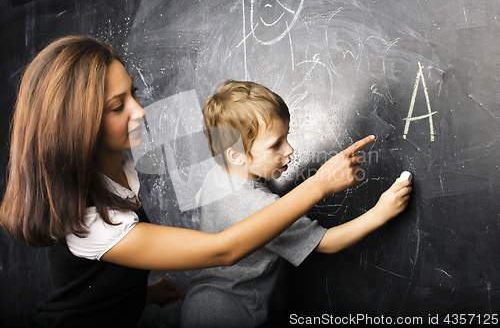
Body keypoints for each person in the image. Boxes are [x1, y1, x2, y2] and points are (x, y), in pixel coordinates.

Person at [0, 35, 376, 328]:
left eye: (132, 92)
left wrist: (142, 295)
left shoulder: (119, 161)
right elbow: (222, 250)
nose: (139, 110)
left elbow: (91, 285)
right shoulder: (89, 220)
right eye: (118, 106)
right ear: (76, 126)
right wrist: (320, 184)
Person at [180, 81, 412, 327]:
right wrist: (380, 212)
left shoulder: (217, 176)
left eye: (286, 137)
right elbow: (328, 243)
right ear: (236, 154)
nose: (289, 149)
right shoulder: (258, 206)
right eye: (275, 144)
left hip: (199, 305)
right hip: (231, 316)